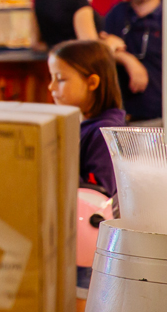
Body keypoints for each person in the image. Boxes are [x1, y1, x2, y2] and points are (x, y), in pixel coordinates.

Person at [48, 40, 123, 196]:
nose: (51, 87)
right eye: (51, 78)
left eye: (60, 79)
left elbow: (98, 195)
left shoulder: (104, 132)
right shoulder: (82, 124)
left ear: (92, 82)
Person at [103, 0, 163, 124]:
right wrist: (127, 59)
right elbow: (100, 48)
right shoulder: (116, 14)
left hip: (160, 119)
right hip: (121, 118)